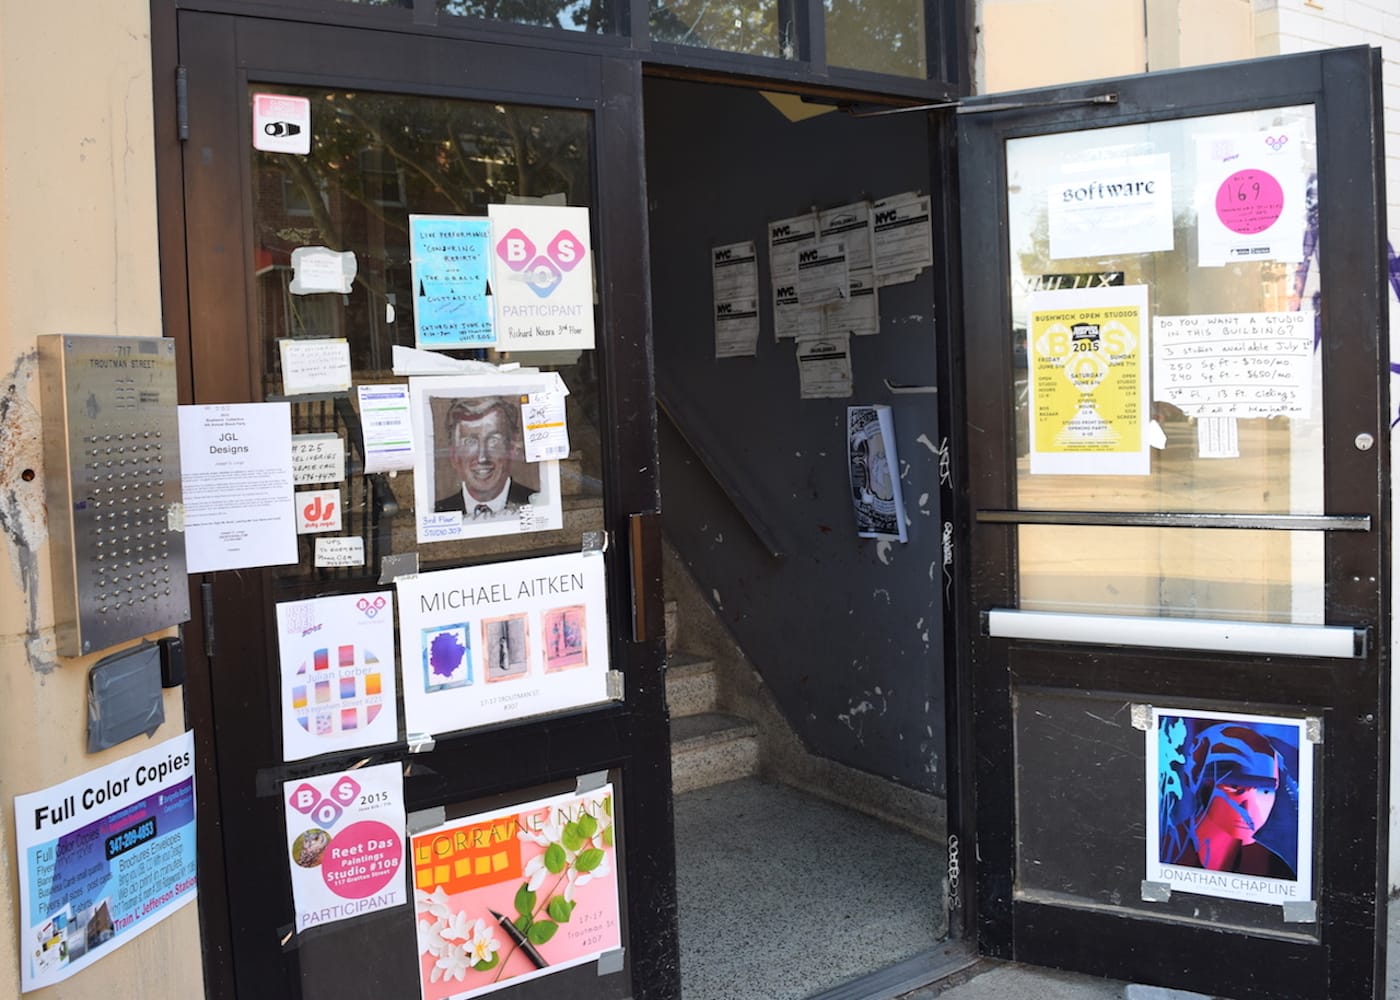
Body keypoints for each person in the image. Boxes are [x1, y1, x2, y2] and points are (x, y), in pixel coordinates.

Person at [1160, 723, 1296, 879]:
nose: (1251, 806)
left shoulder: (1276, 869)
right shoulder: (1164, 849)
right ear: (1199, 780)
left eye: (1265, 790)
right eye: (1235, 786)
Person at [434, 396, 534, 517]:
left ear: (512, 448)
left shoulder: (538, 504)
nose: (482, 458)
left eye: (493, 440)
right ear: (454, 455)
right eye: (470, 442)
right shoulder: (438, 513)